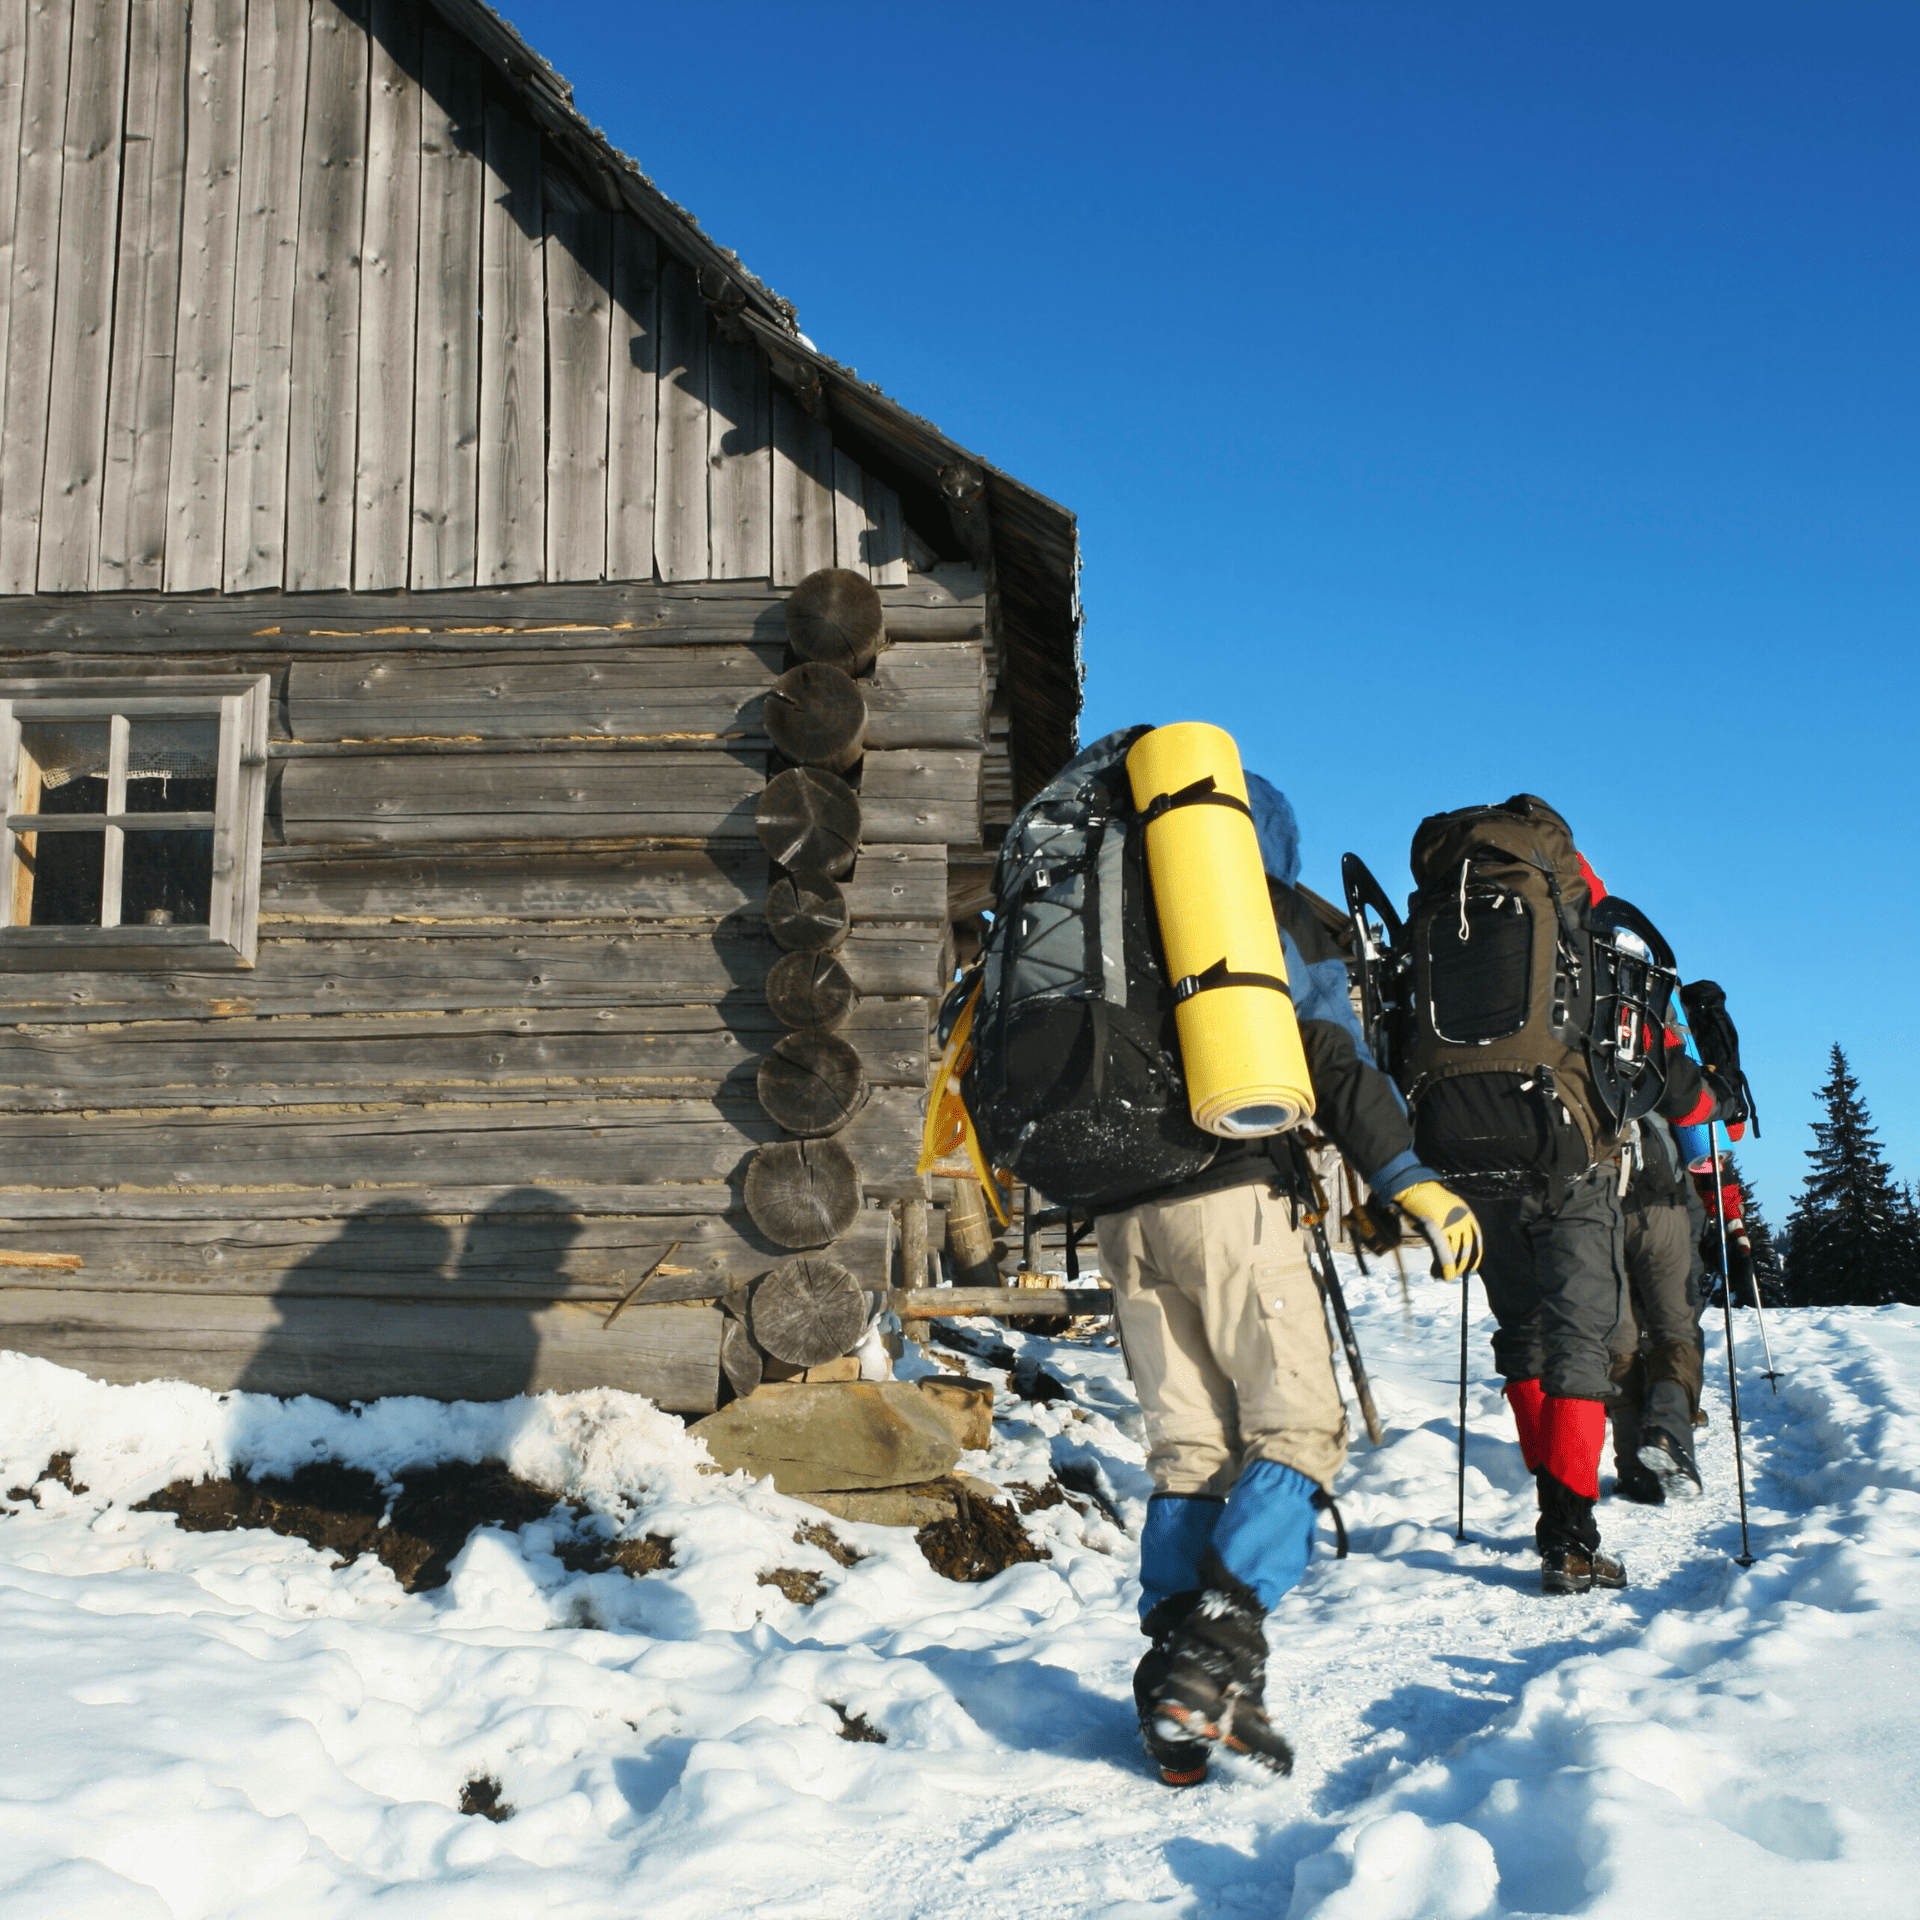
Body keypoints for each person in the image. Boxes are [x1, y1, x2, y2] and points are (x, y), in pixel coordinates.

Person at [1103, 775, 1480, 1785]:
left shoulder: (1102, 906)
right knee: (1300, 1426)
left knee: (1189, 1448)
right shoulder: (1264, 913)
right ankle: (1219, 1648)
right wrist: (1409, 1180)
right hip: (1230, 1197)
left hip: (1117, 1213)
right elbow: (1334, 1057)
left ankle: (1174, 1695)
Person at [1399, 796, 1736, 1595]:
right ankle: (1571, 1532)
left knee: (1522, 1336)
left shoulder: (1439, 933)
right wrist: (1715, 1100)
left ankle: (1556, 1511)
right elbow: (1666, 1080)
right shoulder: (1588, 952)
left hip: (1458, 1153)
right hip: (1566, 1161)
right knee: (1580, 1344)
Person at [1608, 1112, 1711, 1503]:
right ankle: (1668, 1428)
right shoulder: (1663, 1057)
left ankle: (1635, 1474)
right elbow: (1707, 1138)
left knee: (1620, 1341)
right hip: (1665, 1199)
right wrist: (1731, 1218)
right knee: (1675, 1331)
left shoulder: (1572, 1052)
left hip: (1597, 1207)